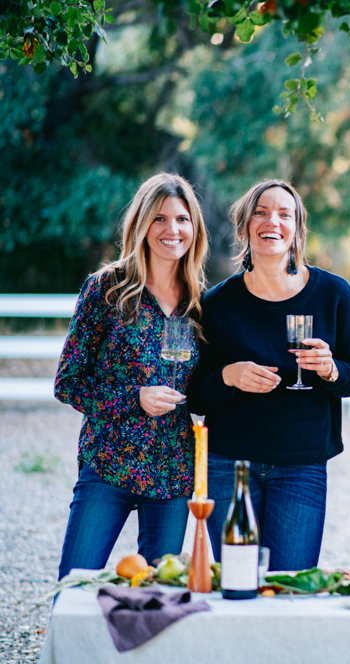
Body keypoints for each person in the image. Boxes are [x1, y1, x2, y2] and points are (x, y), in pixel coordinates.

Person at [188, 180, 350, 572]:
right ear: (244, 227)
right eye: (261, 212)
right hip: (229, 466)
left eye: (285, 214)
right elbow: (196, 397)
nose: (273, 221)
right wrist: (228, 377)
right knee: (236, 581)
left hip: (301, 466)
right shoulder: (216, 304)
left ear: (298, 230)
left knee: (289, 586)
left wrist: (331, 368)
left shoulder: (333, 294)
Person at [54, 173, 209, 579]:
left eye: (181, 218)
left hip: (172, 474)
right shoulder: (106, 288)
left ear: (194, 227)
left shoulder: (200, 301)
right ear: (140, 225)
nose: (171, 229)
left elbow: (207, 386)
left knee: (160, 599)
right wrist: (133, 398)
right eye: (159, 219)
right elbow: (67, 381)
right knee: (75, 583)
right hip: (108, 463)